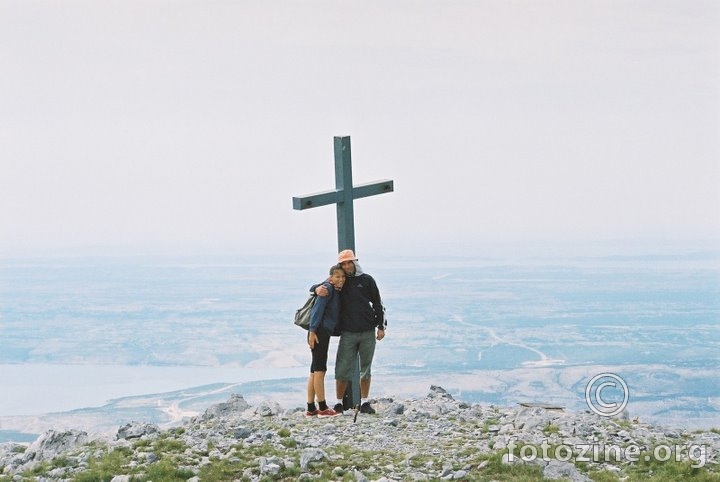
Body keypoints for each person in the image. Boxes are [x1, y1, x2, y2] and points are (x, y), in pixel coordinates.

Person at [315, 249, 385, 415]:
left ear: (355, 262)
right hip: (348, 332)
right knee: (342, 368)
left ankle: (365, 402)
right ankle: (339, 403)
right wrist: (316, 289)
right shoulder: (340, 280)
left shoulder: (367, 280)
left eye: (349, 262)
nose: (347, 265)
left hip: (368, 330)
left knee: (366, 368)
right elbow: (321, 286)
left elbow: (378, 303)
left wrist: (381, 327)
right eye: (344, 263)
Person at [305, 264, 345, 417]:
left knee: (314, 371)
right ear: (331, 277)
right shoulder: (327, 289)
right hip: (319, 332)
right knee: (320, 370)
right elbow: (317, 310)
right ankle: (322, 407)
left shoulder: (330, 288)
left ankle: (310, 408)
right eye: (337, 276)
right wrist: (313, 331)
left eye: (342, 277)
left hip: (318, 331)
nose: (340, 279)